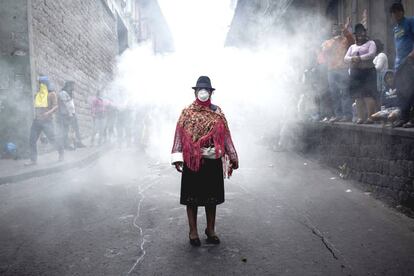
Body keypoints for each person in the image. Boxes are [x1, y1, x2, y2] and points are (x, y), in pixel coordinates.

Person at [171, 76, 239, 247]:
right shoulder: (187, 112)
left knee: (212, 198)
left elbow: (225, 136)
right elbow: (179, 135)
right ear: (195, 92)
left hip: (212, 160)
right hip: (192, 160)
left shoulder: (217, 113)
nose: (203, 93)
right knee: (191, 198)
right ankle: (192, 231)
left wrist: (232, 155)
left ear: (210, 92)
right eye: (200, 90)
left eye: (206, 90)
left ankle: (210, 230)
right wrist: (177, 157)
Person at [321, 17, 354, 123]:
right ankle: (338, 115)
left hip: (343, 69)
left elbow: (352, 41)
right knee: (334, 93)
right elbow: (325, 52)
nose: (335, 30)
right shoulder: (327, 42)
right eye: (334, 29)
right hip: (331, 70)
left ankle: (347, 115)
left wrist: (345, 29)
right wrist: (334, 41)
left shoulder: (344, 40)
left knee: (345, 92)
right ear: (331, 31)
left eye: (337, 28)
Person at [25, 76, 64, 165]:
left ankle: (61, 152)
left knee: (52, 139)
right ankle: (33, 160)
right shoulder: (37, 95)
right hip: (37, 121)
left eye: (39, 83)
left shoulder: (52, 94)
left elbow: (56, 106)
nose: (38, 85)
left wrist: (48, 113)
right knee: (32, 140)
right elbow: (36, 108)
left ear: (43, 84)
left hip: (47, 121)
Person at [344, 23, 377, 124]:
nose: (360, 35)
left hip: (367, 72)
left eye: (362, 32)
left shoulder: (371, 43)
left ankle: (371, 117)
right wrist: (352, 58)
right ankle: (361, 117)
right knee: (358, 96)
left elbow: (372, 54)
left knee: (368, 95)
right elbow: (345, 58)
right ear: (355, 35)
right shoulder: (352, 47)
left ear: (365, 32)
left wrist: (359, 58)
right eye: (358, 33)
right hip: (355, 73)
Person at [389, 3, 414, 128]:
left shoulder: (410, 21)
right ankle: (403, 118)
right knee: (401, 92)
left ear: (402, 12)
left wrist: (412, 53)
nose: (395, 15)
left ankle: (412, 119)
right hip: (399, 64)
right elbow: (398, 46)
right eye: (393, 13)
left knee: (411, 90)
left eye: (397, 12)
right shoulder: (395, 28)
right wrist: (395, 66)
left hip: (410, 61)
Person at [57, 81, 85, 150]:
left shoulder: (69, 93)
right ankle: (67, 145)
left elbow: (70, 104)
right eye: (73, 86)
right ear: (68, 86)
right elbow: (65, 104)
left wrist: (73, 113)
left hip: (72, 114)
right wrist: (69, 114)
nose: (74, 87)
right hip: (66, 115)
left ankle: (78, 142)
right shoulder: (63, 93)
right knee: (67, 130)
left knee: (75, 129)